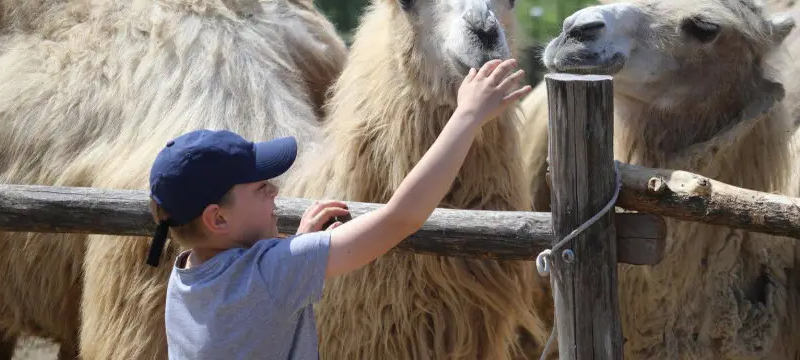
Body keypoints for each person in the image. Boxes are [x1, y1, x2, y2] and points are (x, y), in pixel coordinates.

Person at [145, 58, 532, 360]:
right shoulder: (273, 271)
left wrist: (297, 246)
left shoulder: (186, 280)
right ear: (218, 218)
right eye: (261, 188)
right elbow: (402, 217)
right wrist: (467, 116)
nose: (276, 190)